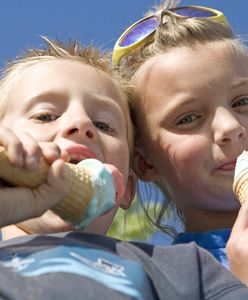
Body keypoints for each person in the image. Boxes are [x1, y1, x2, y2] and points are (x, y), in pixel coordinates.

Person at [0, 37, 247, 299]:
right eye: (45, 116)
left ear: (126, 188)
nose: (81, 122)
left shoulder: (187, 268)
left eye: (103, 124)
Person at [113, 2, 248, 269]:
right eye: (187, 119)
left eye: (243, 101)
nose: (230, 127)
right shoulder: (165, 280)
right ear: (145, 162)